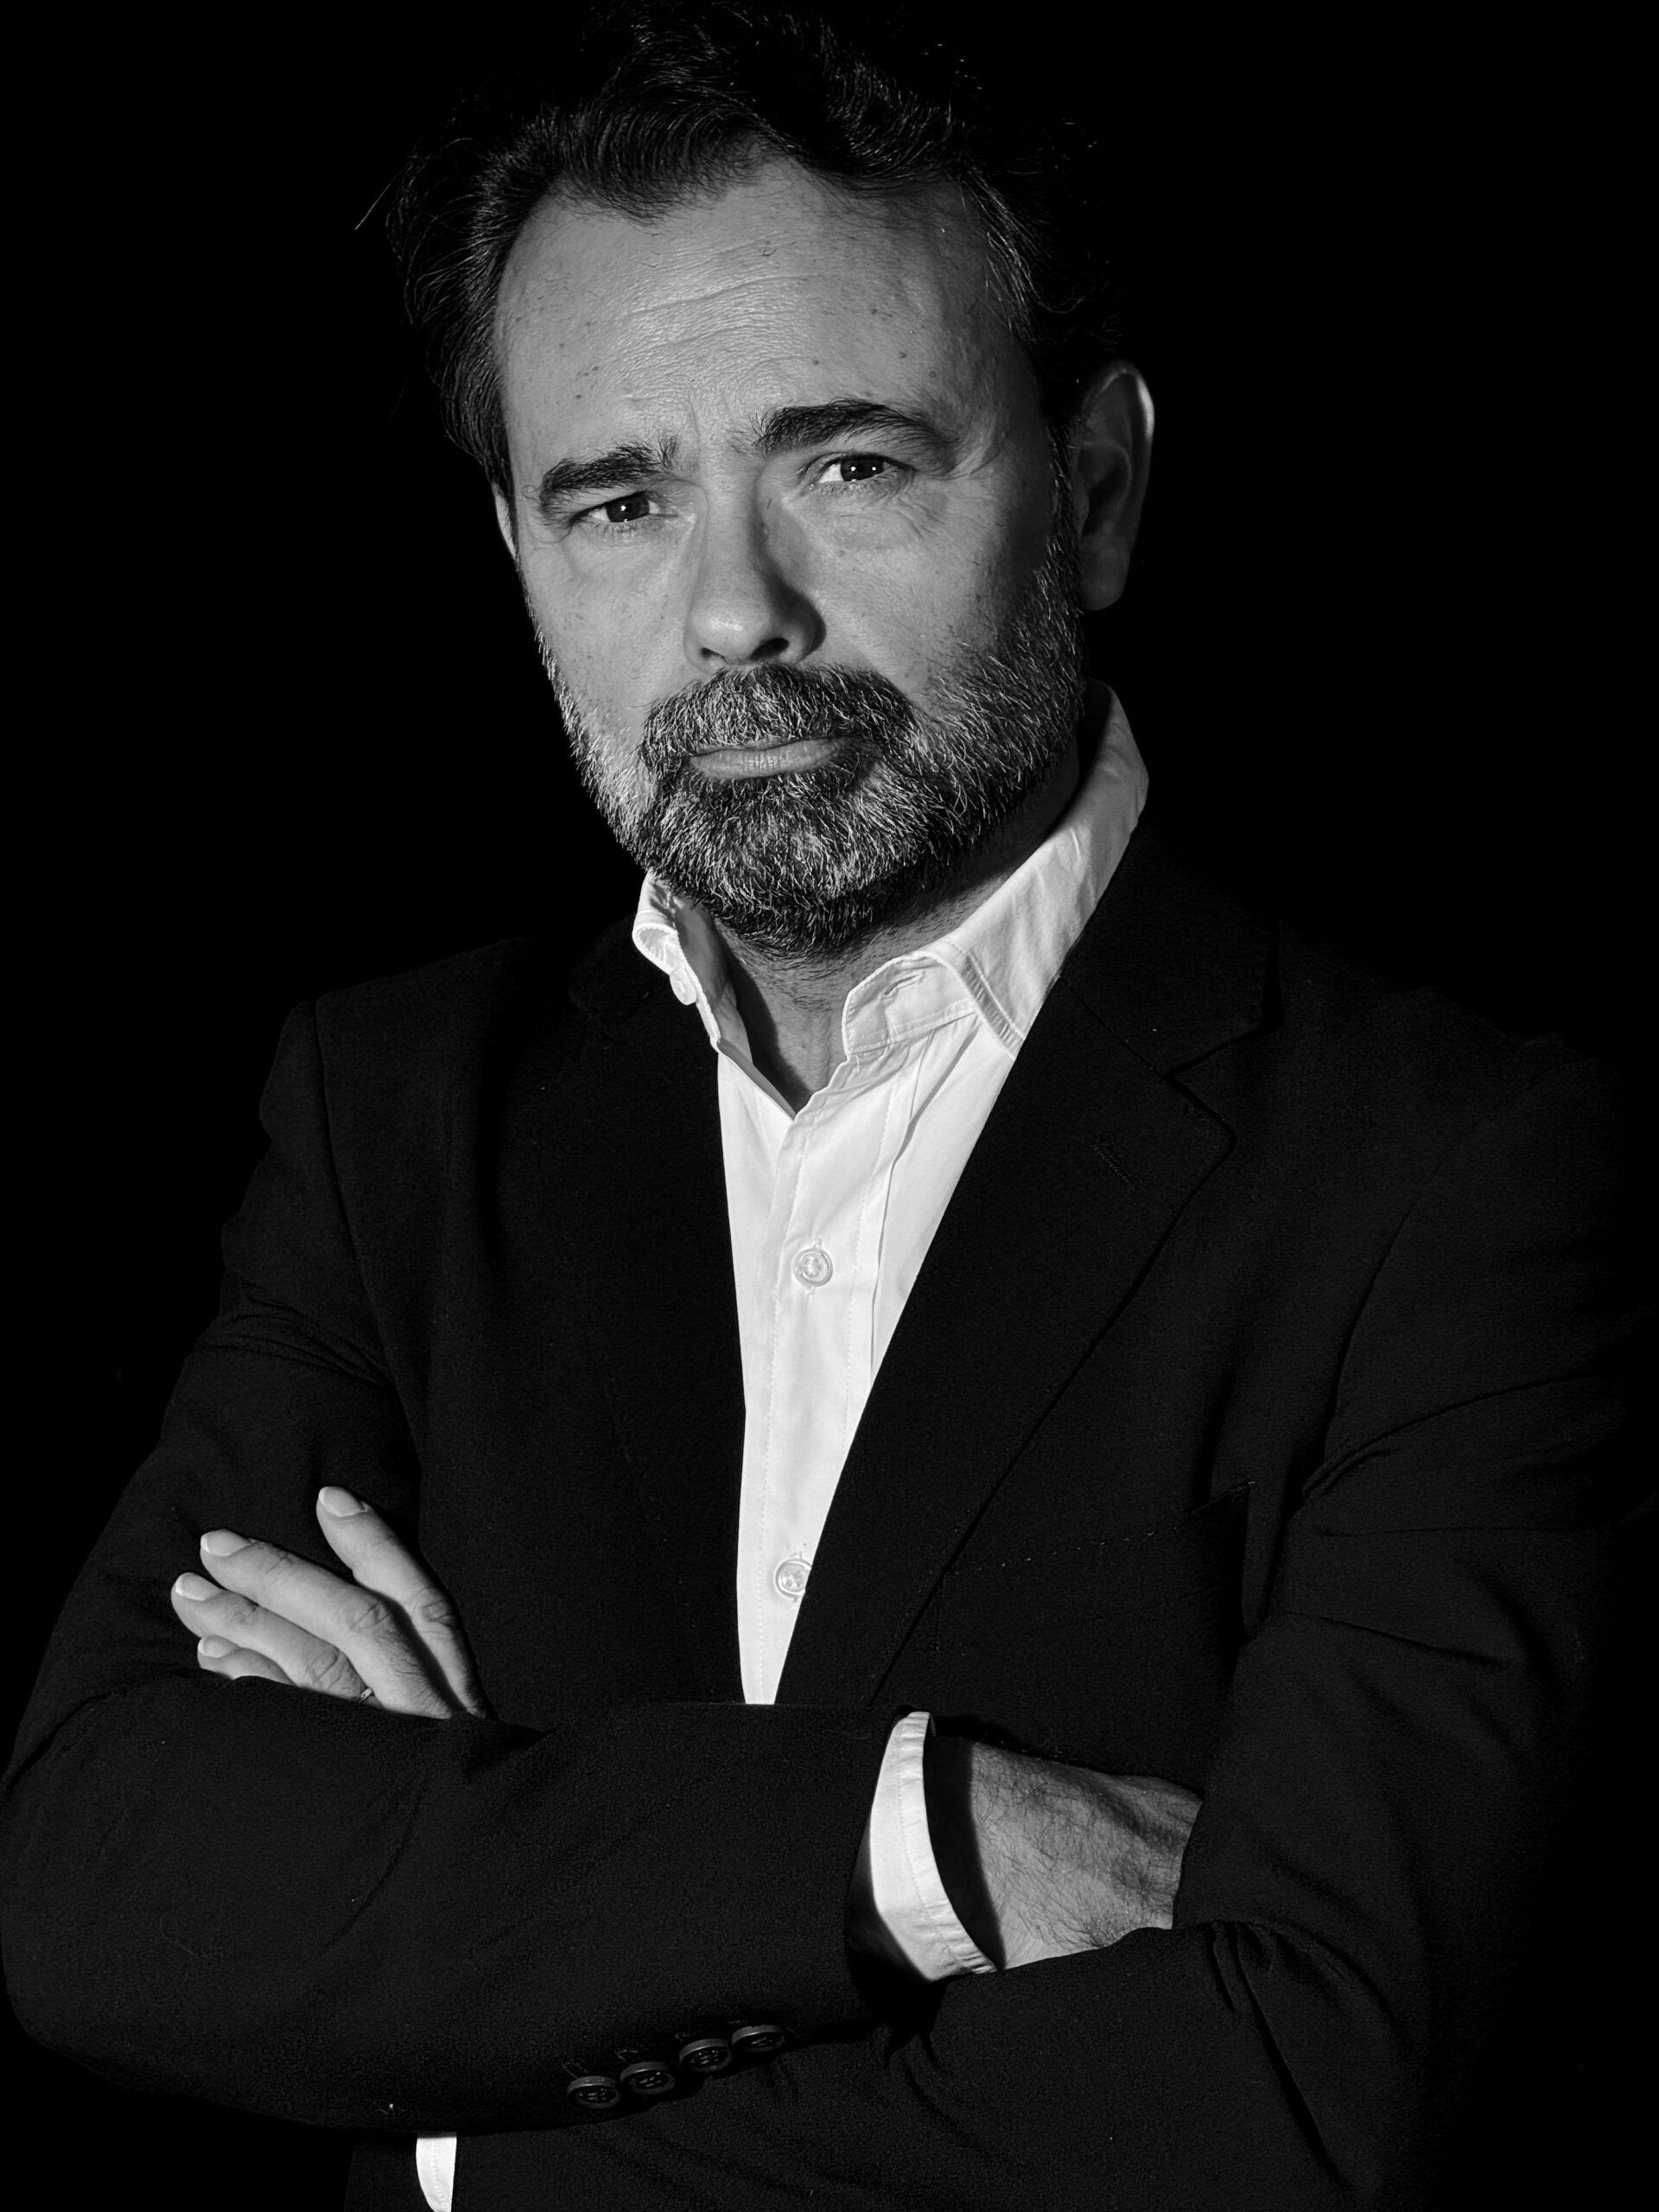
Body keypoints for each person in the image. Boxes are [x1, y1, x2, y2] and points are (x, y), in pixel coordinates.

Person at [2, 7, 1643, 2207]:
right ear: (516, 548)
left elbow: (1292, 2103)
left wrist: (457, 2076)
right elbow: (110, 1884)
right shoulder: (400, 1120)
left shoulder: (1450, 1173)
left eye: (850, 464)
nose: (731, 612)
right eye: (620, 499)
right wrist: (926, 1830)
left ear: (1098, 488)